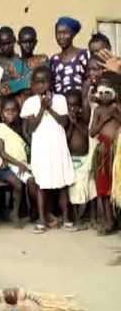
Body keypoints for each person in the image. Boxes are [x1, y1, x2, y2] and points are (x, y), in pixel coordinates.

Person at [21, 67, 75, 233]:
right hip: (41, 148)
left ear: (51, 82)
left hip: (58, 146)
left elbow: (64, 122)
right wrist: (42, 108)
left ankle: (67, 219)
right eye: (37, 82)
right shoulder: (30, 102)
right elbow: (31, 127)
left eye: (44, 81)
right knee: (41, 185)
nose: (41, 86)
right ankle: (42, 220)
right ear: (32, 85)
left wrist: (49, 107)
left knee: (62, 184)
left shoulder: (60, 99)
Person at [0, 98, 39, 223]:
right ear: (1, 113)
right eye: (7, 110)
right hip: (12, 164)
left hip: (23, 163)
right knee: (30, 181)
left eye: (13, 110)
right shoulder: (0, 128)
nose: (10, 113)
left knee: (39, 180)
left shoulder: (19, 128)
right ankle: (43, 213)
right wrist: (18, 163)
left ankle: (35, 210)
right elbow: (2, 153)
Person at [89, 75, 120, 235]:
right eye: (100, 93)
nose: (103, 96)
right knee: (103, 187)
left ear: (114, 93)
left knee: (117, 186)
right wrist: (104, 120)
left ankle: (117, 219)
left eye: (107, 93)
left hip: (118, 151)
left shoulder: (118, 107)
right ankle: (108, 220)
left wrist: (115, 114)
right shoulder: (98, 110)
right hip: (103, 151)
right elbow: (92, 132)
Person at [65, 90, 96, 225]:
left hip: (85, 160)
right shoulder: (66, 123)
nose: (72, 109)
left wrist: (76, 122)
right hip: (72, 160)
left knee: (90, 189)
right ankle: (76, 217)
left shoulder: (83, 121)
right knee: (72, 191)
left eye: (75, 105)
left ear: (81, 107)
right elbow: (66, 140)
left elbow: (87, 136)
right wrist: (71, 124)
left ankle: (93, 216)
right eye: (69, 106)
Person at [0, 26, 48, 104]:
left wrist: (14, 86)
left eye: (31, 42)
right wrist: (29, 83)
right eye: (24, 42)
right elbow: (3, 90)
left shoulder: (42, 60)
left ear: (35, 42)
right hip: (19, 106)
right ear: (19, 43)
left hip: (40, 104)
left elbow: (47, 84)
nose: (28, 45)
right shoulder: (13, 65)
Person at [51, 17, 88, 94]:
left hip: (79, 104)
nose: (61, 37)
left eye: (65, 33)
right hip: (60, 105)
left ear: (73, 34)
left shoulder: (83, 55)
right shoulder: (54, 60)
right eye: (58, 33)